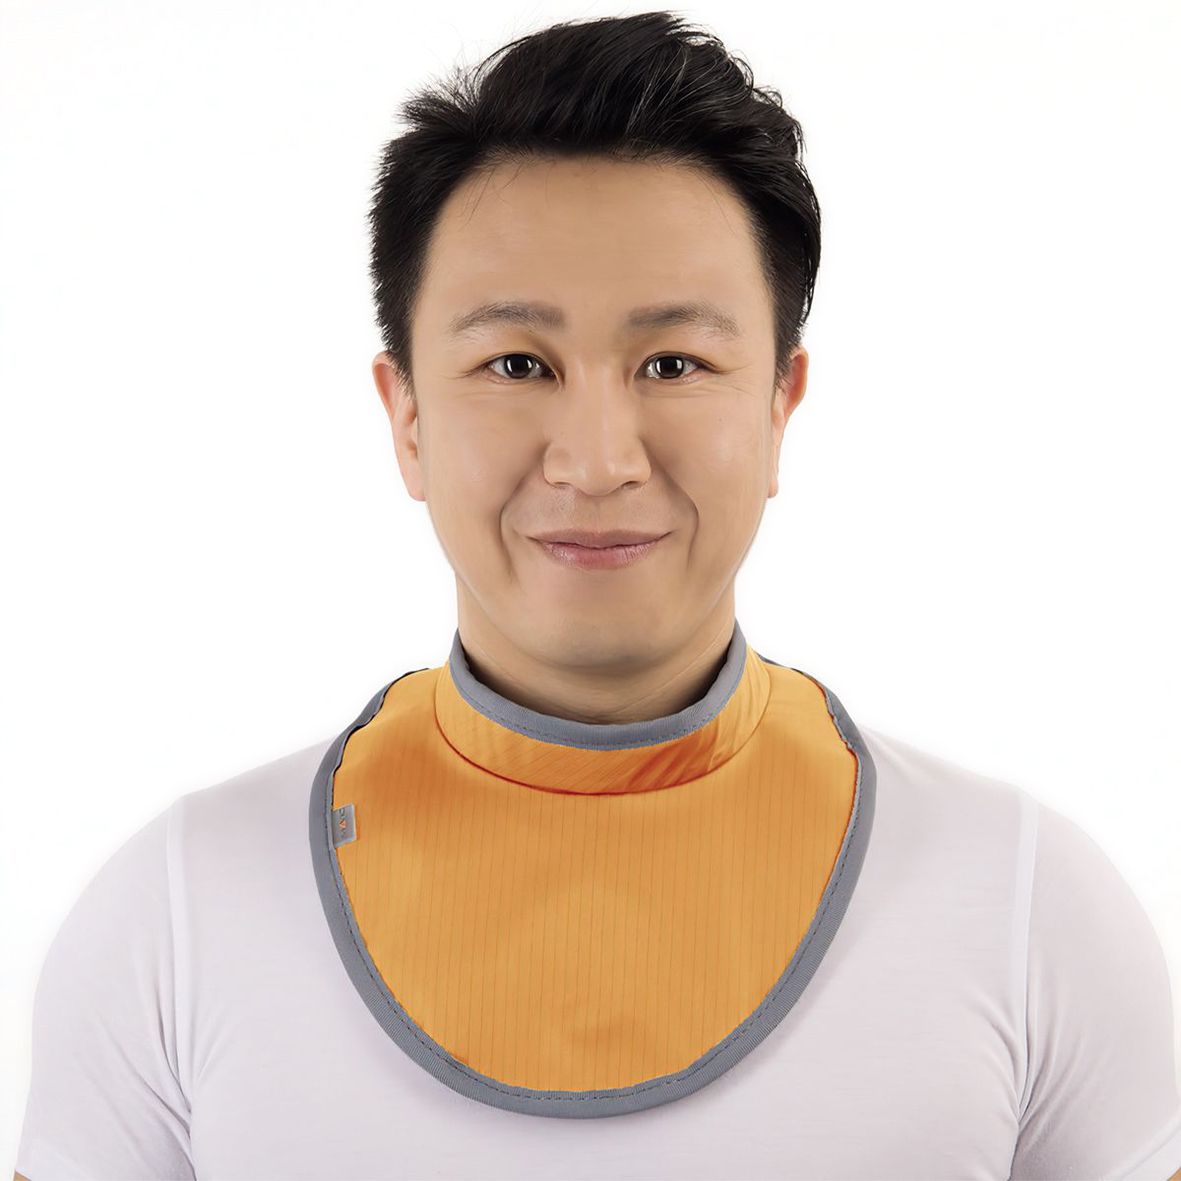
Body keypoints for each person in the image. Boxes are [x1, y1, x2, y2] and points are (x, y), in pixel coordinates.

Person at [13, 10, 1181, 1179]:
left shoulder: (1023, 902)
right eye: (516, 363)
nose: (596, 458)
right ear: (406, 416)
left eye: (672, 363)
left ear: (778, 406)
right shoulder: (178, 911)